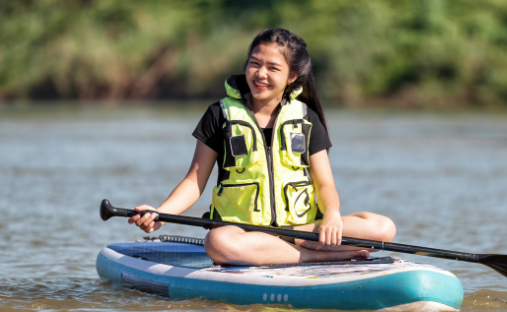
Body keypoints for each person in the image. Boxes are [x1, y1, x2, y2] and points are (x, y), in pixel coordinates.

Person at [129, 28, 396, 265]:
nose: (261, 74)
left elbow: (325, 184)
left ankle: (289, 249)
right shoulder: (219, 115)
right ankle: (316, 256)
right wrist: (162, 213)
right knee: (217, 243)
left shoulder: (306, 118)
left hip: (299, 231)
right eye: (254, 64)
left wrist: (332, 216)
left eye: (273, 68)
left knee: (383, 228)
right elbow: (194, 182)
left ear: (292, 76)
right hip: (243, 233)